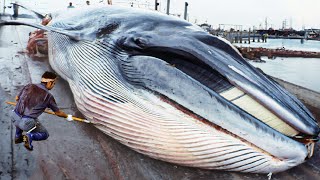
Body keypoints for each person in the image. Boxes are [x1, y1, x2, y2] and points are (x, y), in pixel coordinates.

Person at [11, 71, 73, 151]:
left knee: (19, 114)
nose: (53, 86)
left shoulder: (29, 86)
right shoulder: (48, 96)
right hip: (26, 123)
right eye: (54, 84)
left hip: (14, 116)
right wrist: (67, 116)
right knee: (44, 134)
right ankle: (30, 136)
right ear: (50, 83)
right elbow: (58, 113)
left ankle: (18, 137)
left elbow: (17, 98)